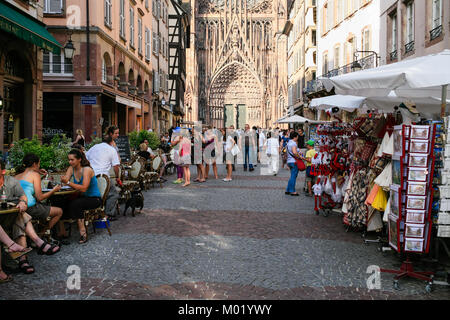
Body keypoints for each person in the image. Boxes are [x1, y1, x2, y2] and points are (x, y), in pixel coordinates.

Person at [0, 159, 60, 276]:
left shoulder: (11, 181)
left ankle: (24, 257)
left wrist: (22, 202)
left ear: (2, 171)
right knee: (22, 217)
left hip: (7, 217)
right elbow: (40, 197)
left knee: (20, 215)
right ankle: (35, 245)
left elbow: (23, 196)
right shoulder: (33, 175)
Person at [14, 153, 63, 237]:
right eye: (39, 164)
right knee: (59, 211)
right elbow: (40, 197)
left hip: (17, 207)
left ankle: (38, 233)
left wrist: (39, 175)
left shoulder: (16, 176)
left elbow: (28, 186)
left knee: (44, 207)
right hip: (30, 207)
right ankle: (42, 234)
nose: (39, 166)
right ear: (34, 164)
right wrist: (54, 190)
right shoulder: (35, 175)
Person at [61, 149, 102, 244]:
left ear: (79, 159)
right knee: (60, 202)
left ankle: (83, 233)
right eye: (69, 160)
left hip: (94, 199)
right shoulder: (71, 168)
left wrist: (67, 182)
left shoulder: (87, 170)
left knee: (76, 204)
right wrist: (64, 181)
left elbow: (83, 188)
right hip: (83, 197)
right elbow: (66, 181)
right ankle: (61, 232)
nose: (70, 162)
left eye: (72, 160)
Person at [85, 135, 121, 221]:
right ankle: (108, 214)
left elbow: (85, 159)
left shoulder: (94, 147)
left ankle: (96, 213)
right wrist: (117, 177)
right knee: (113, 194)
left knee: (96, 194)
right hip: (104, 177)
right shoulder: (112, 150)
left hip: (92, 175)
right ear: (111, 142)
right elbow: (116, 166)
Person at [285, 132, 301, 196]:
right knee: (294, 176)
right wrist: (299, 156)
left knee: (292, 176)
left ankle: (288, 189)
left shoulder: (288, 143)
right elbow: (294, 152)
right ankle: (292, 191)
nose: (298, 137)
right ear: (295, 137)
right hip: (294, 161)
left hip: (289, 161)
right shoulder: (293, 143)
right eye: (297, 136)